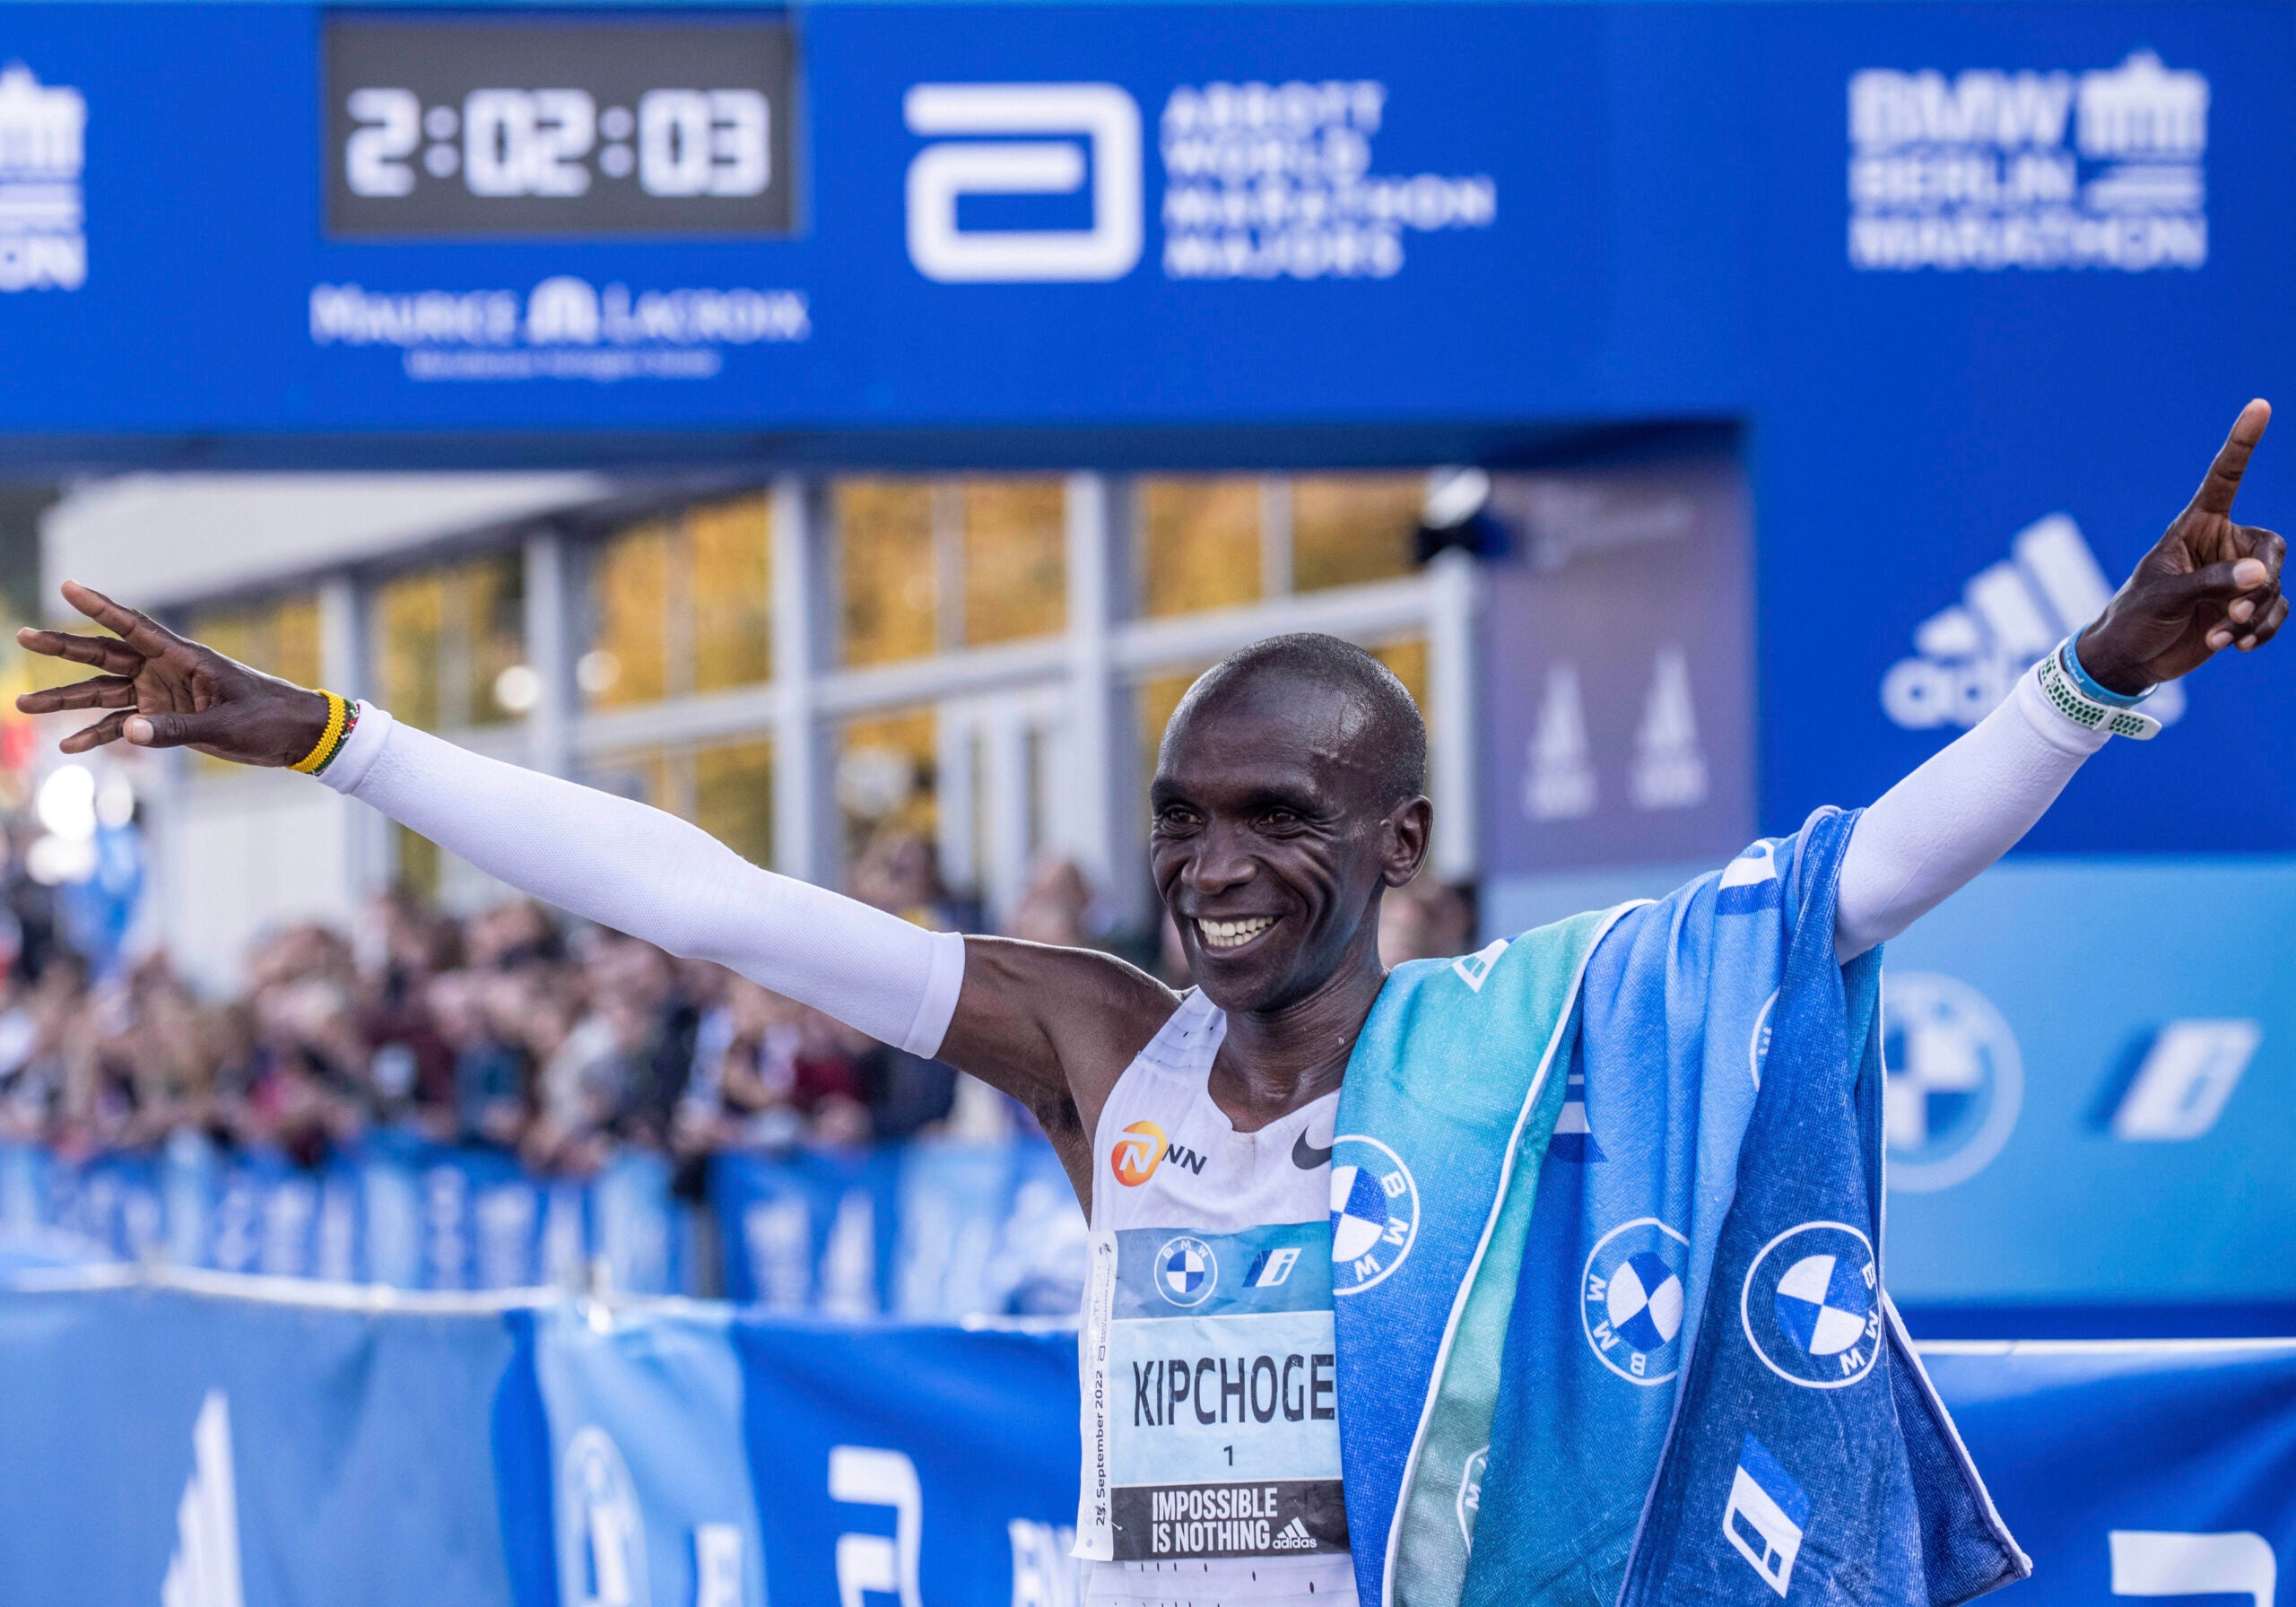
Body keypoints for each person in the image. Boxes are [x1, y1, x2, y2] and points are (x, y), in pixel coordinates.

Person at [16, 404, 2284, 1606]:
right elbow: (694, 886)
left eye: (1273, 814)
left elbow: (1847, 885)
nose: (1207, 862)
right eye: (1179, 810)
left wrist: (2082, 679)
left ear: (1394, 840)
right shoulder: (1095, 1045)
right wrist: (328, 736)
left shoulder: (1537, 1022)